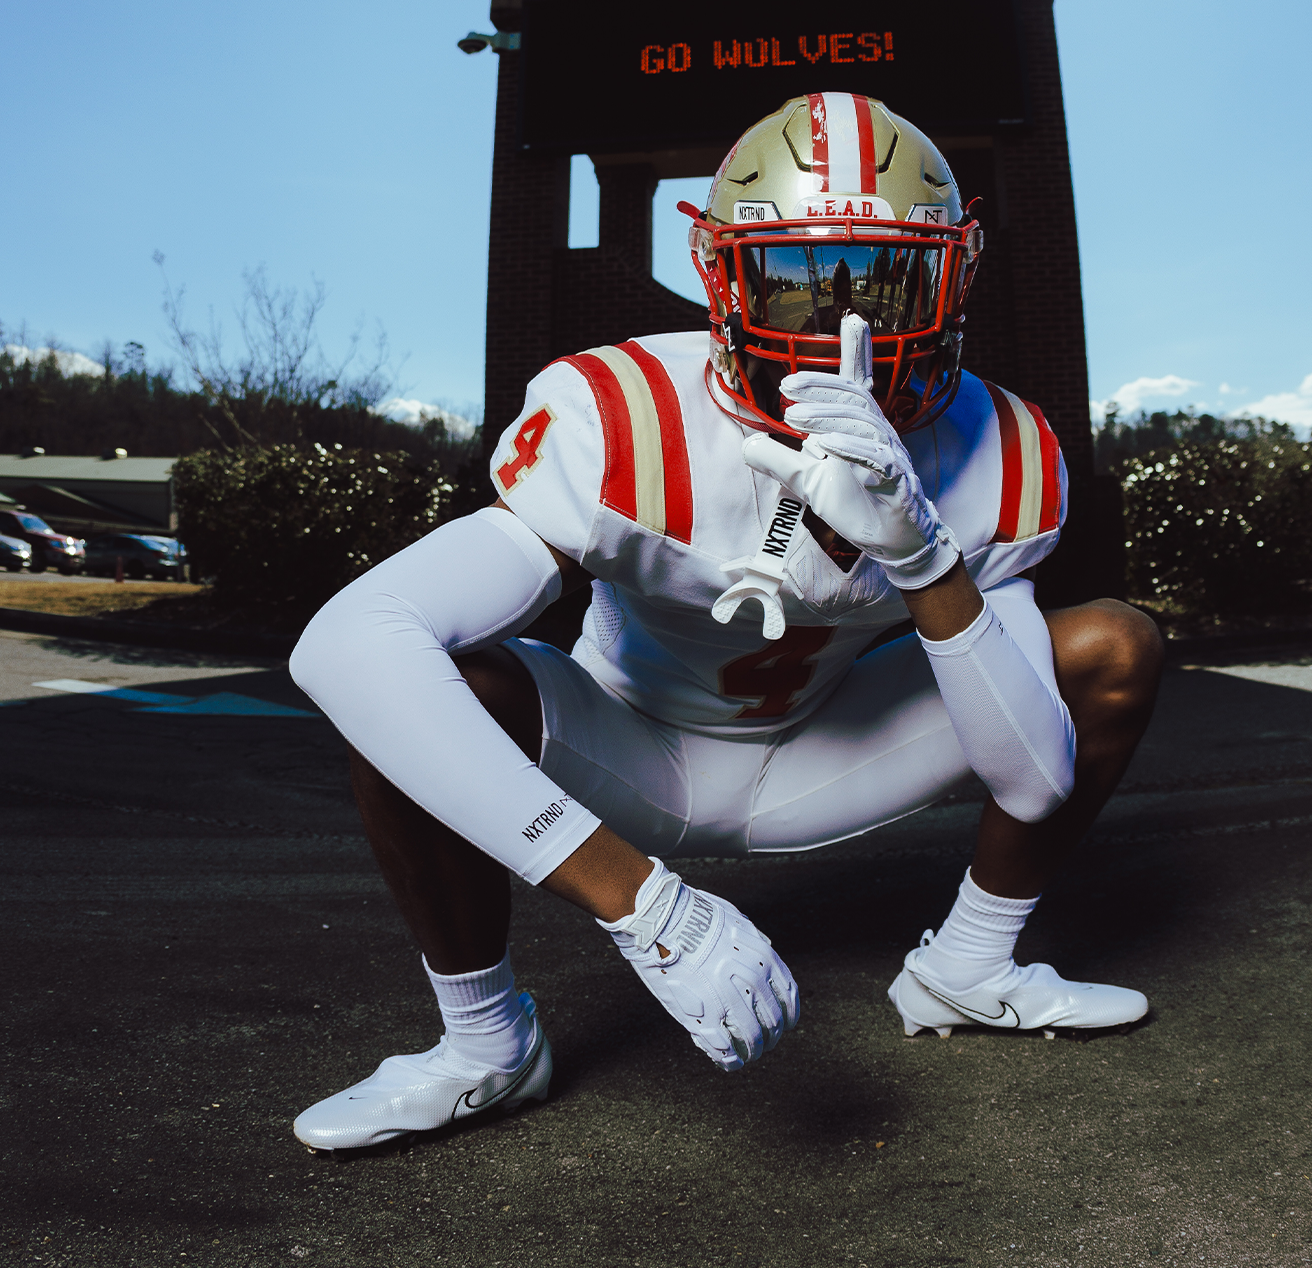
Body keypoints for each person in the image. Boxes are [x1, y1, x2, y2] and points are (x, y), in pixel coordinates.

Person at [287, 93, 1165, 1151]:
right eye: (798, 279)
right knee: (423, 694)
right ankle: (486, 1046)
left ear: (956, 273)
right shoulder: (626, 413)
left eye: (887, 281)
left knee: (1112, 646)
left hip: (827, 754)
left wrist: (923, 556)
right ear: (720, 273)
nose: (846, 328)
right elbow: (350, 643)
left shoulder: (1003, 447)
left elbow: (1034, 776)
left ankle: (969, 967)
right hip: (626, 750)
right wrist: (646, 907)